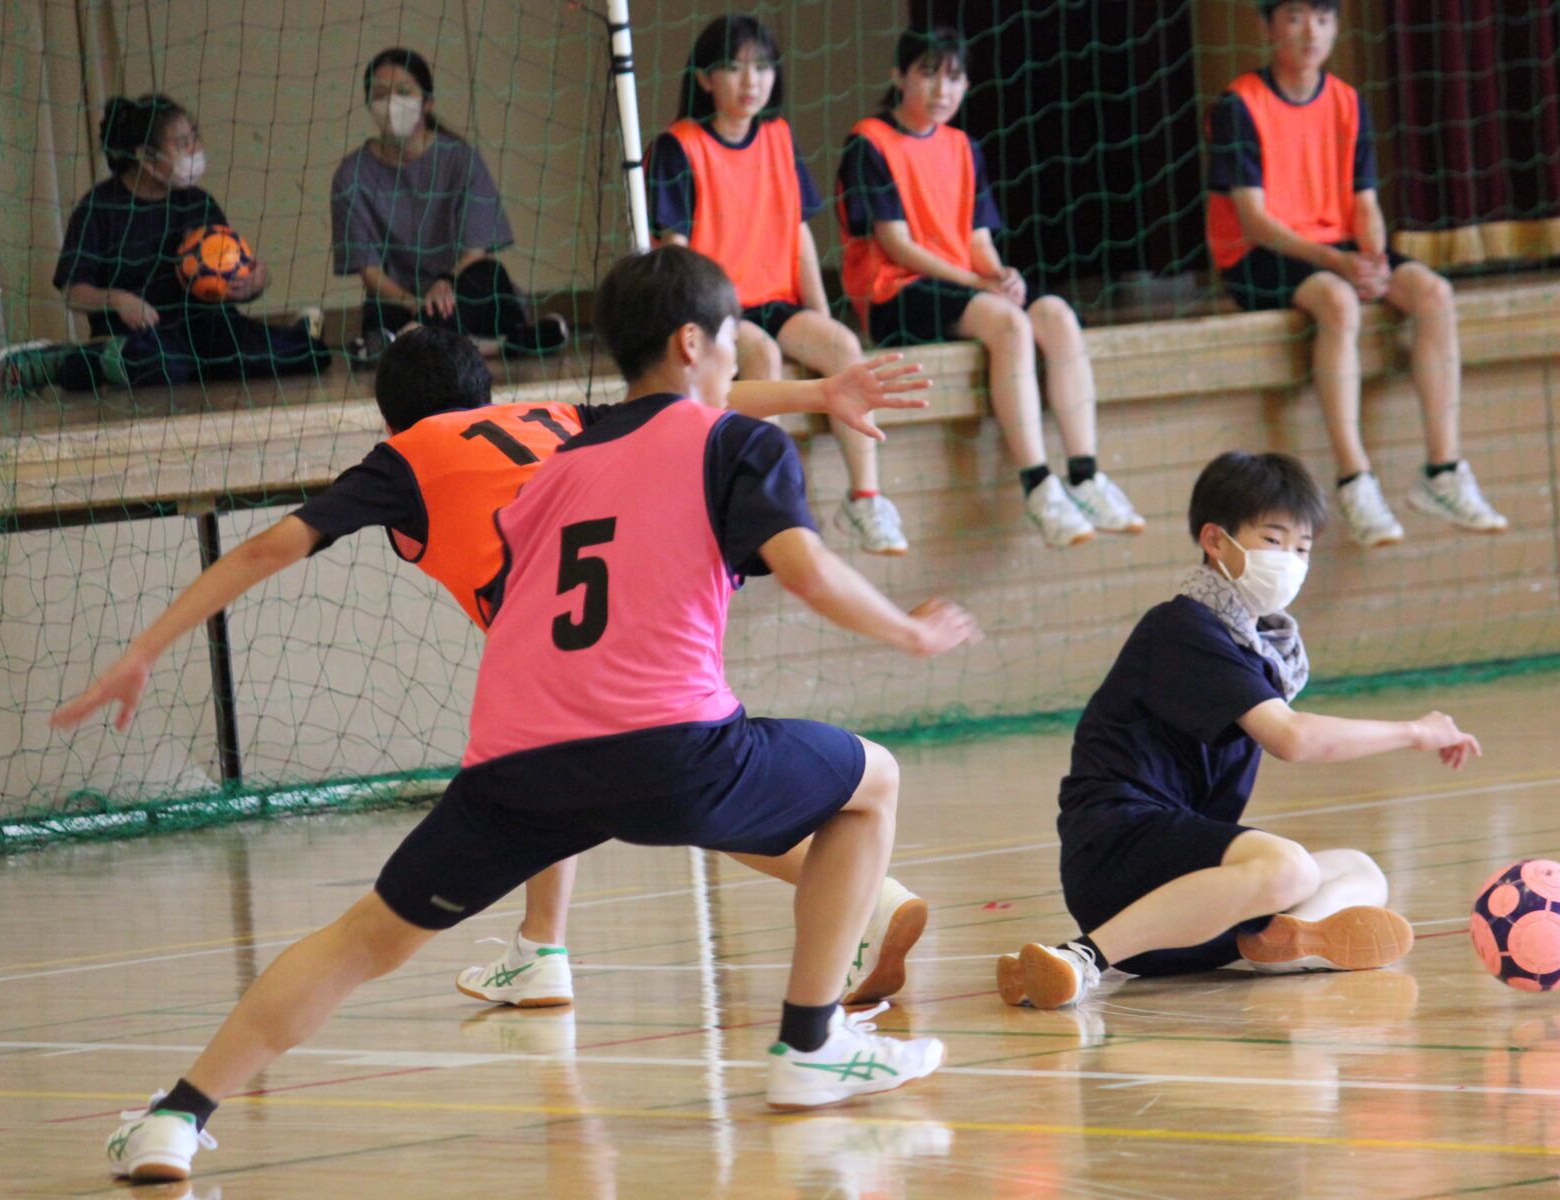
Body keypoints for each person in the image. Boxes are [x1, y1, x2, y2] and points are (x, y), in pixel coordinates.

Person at [91, 246, 977, 1183]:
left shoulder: (559, 470)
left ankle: (177, 1115)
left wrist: (143, 649)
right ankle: (809, 1043)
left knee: (361, 942)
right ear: (694, 343)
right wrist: (905, 631)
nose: (740, 365)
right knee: (870, 781)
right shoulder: (663, 435)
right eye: (732, 345)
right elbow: (801, 565)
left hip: (517, 761)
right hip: (666, 748)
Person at [53, 323, 936, 1019]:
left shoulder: (407, 457)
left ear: (393, 418)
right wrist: (819, 390)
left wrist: (144, 649)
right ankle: (542, 947)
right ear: (486, 389)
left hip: (573, 660)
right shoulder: (553, 414)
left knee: (601, 772)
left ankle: (861, 898)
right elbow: (697, 400)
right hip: (654, 612)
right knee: (634, 780)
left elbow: (265, 547)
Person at [996, 450, 1483, 1010]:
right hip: (1118, 857)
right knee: (1290, 867)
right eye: (1273, 541)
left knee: (1359, 871)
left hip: (1188, 906)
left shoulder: (1255, 648)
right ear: (1215, 540)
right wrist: (1414, 732)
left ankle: (1274, 942)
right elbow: (1293, 738)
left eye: (1303, 549)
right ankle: (1080, 958)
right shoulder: (1183, 627)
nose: (1292, 561)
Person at [1206, 0, 1509, 548]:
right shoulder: (1239, 105)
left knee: (1433, 293)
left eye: (1322, 19)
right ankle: (1355, 480)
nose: (1310, 32)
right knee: (1338, 303)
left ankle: (1443, 471)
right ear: (1267, 27)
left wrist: (1372, 259)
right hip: (1257, 254)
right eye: (1295, 18)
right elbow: (1253, 220)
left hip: (1338, 245)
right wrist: (1343, 267)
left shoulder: (1346, 101)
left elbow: (1363, 200)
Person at [835, 26, 1143, 549]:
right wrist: (980, 284)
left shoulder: (962, 147)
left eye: (954, 78)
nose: (942, 90)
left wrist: (1000, 275)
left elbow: (977, 238)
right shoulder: (870, 142)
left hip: (963, 285)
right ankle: (1038, 486)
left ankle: (1086, 475)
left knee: (1055, 317)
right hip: (895, 293)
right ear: (898, 76)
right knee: (1007, 323)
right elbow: (898, 245)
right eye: (928, 74)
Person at [650, 16, 908, 555]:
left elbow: (799, 236)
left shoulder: (779, 139)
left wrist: (822, 313)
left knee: (841, 346)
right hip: (717, 307)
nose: (752, 80)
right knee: (761, 353)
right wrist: (698, 322)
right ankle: (764, 506)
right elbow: (672, 253)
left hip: (775, 300)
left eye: (763, 66)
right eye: (735, 66)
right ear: (704, 79)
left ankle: (865, 499)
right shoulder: (679, 147)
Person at [0, 95, 328, 398]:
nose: (195, 150)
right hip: (139, 337)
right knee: (165, 366)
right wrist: (119, 300)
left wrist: (256, 281)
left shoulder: (197, 202)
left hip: (206, 326)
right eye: (183, 144)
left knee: (309, 355)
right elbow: (74, 292)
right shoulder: (100, 207)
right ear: (145, 156)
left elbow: (237, 268)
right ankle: (57, 363)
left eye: (195, 138)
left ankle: (296, 331)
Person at [331, 48, 566, 364]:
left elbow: (475, 251)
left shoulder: (459, 158)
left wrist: (445, 284)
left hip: (460, 292)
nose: (391, 104)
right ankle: (492, 345)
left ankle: (415, 339)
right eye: (381, 94)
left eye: (403, 92)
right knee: (380, 313)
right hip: (401, 301)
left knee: (489, 274)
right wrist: (415, 303)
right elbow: (369, 272)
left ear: (426, 102)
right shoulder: (352, 175)